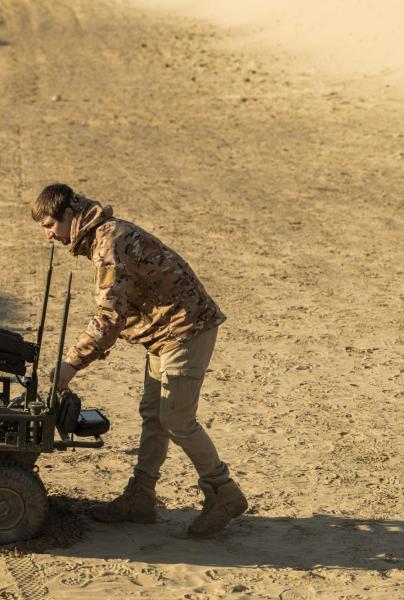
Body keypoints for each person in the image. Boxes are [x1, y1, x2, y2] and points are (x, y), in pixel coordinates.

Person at [31, 183, 248, 537]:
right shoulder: (102, 236)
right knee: (154, 414)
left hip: (186, 328)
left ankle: (224, 493)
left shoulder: (108, 243)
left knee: (177, 416)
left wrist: (71, 364)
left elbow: (110, 315)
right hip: (165, 333)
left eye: (48, 226)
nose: (49, 236)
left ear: (69, 215)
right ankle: (141, 497)